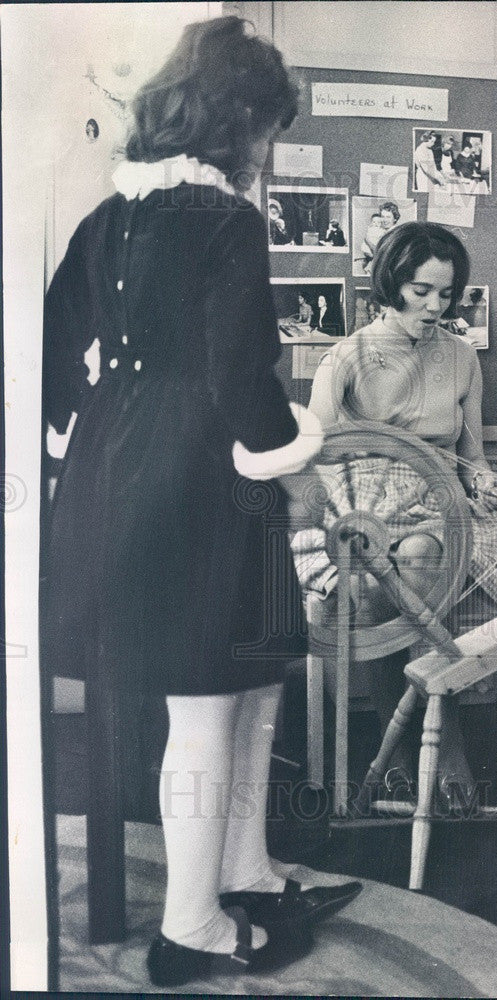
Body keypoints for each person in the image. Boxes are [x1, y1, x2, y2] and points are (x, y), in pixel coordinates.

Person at [41, 17, 360, 989]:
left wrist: (75, 458)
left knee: (253, 671)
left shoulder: (109, 219)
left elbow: (56, 356)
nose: (268, 152)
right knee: (209, 702)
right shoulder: (224, 221)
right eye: (266, 129)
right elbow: (240, 375)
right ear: (235, 121)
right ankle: (192, 928)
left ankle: (246, 869)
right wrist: (297, 469)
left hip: (123, 471)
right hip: (208, 478)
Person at [294, 222, 497, 800]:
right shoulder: (345, 356)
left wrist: (486, 487)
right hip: (363, 503)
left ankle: (440, 741)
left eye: (446, 294)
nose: (434, 307)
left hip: (439, 499)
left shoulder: (462, 357)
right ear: (392, 283)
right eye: (421, 291)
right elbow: (316, 447)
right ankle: (399, 739)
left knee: (418, 558)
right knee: (369, 571)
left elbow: (471, 458)